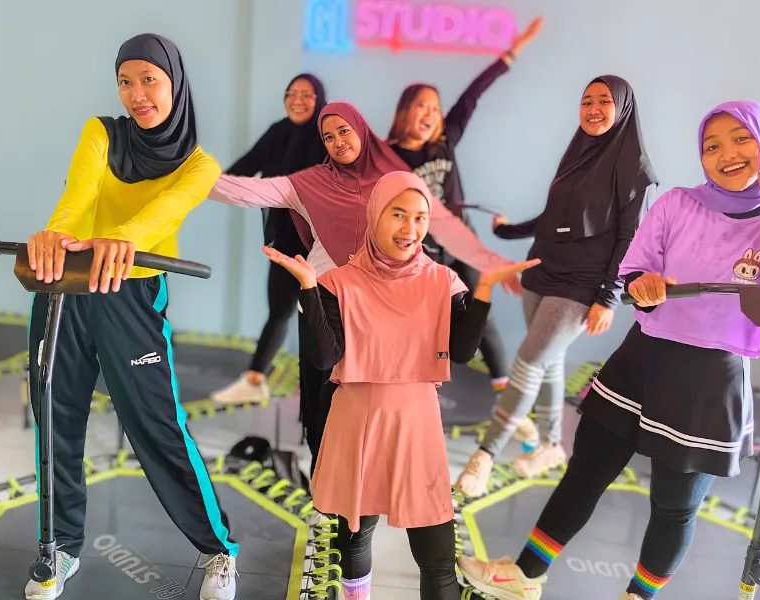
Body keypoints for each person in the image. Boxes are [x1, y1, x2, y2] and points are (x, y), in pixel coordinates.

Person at [457, 101, 760, 600]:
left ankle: (638, 596)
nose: (726, 154)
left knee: (674, 507)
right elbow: (635, 273)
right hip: (643, 359)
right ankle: (525, 575)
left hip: (712, 380)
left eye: (741, 139)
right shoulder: (677, 203)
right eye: (712, 146)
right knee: (585, 472)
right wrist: (644, 285)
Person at [24, 33, 239, 600]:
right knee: (54, 420)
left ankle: (219, 549)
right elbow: (77, 196)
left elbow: (159, 215)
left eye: (149, 80)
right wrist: (58, 234)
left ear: (175, 83)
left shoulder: (200, 166)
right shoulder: (100, 132)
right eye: (125, 82)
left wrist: (121, 239)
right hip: (66, 289)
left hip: (133, 294)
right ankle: (57, 548)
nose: (137, 94)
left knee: (158, 427)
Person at [264, 171, 540, 600]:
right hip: (356, 425)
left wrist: (483, 292)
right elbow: (325, 357)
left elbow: (461, 351)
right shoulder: (339, 282)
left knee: (438, 557)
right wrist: (308, 289)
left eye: (419, 217)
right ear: (375, 215)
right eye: (398, 215)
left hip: (418, 427)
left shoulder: (442, 281)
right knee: (355, 536)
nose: (410, 228)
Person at [206, 101, 521, 475]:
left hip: (383, 315)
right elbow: (244, 190)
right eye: (328, 136)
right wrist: (182, 170)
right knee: (322, 412)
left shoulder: (398, 183)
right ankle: (326, 491)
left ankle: (371, 490)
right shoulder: (308, 183)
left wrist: (492, 263)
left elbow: (448, 227)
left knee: (379, 416)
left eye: (344, 130)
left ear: (361, 130)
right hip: (326, 306)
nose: (338, 141)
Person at [455, 75, 658, 496]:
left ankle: (486, 454)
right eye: (587, 101)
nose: (593, 109)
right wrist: (510, 231)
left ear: (622, 107)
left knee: (529, 361)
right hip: (542, 270)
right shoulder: (577, 152)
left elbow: (631, 239)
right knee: (548, 360)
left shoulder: (636, 170)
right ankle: (550, 445)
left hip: (583, 284)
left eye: (604, 101)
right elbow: (555, 214)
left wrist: (608, 297)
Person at [387, 16, 543, 402]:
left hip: (462, 241)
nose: (430, 113)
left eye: (435, 108)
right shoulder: (387, 157)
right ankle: (422, 389)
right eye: (421, 105)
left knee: (479, 310)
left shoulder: (446, 141)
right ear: (404, 111)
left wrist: (513, 51)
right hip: (420, 248)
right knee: (423, 319)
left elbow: (474, 93)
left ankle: (504, 393)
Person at [211, 74, 329, 405]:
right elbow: (246, 166)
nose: (297, 100)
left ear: (320, 100)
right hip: (284, 241)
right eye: (291, 93)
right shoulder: (279, 132)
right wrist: (207, 185)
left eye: (306, 95)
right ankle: (254, 379)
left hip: (322, 246)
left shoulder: (327, 135)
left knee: (320, 319)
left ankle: (325, 389)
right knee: (279, 311)